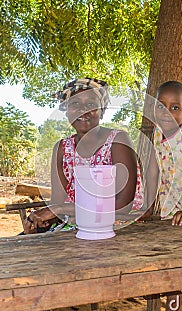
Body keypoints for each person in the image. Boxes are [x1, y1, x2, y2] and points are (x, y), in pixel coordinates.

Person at [23, 78, 143, 234]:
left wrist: (59, 209)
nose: (83, 110)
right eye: (75, 104)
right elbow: (58, 203)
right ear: (66, 110)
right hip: (76, 224)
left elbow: (123, 206)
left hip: (118, 225)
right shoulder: (62, 149)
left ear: (102, 110)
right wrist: (41, 221)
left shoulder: (118, 141)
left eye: (91, 105)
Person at [139, 81, 182, 311]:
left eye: (175, 107)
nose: (166, 113)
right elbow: (156, 172)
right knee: (174, 271)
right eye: (161, 106)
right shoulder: (157, 134)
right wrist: (147, 208)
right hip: (170, 213)